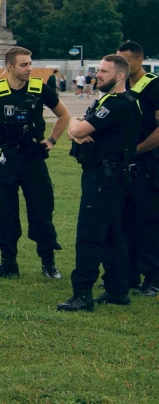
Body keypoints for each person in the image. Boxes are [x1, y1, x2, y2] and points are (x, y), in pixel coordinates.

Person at [0, 47, 70, 280]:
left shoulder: (39, 89)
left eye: (30, 63)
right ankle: (8, 263)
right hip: (4, 159)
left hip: (33, 159)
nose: (29, 68)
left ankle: (48, 263)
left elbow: (64, 115)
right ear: (9, 67)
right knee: (5, 213)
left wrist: (51, 141)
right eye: (24, 64)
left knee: (41, 211)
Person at [57, 54, 141, 311]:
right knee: (112, 236)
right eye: (98, 70)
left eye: (104, 71)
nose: (98, 75)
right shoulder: (116, 100)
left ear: (120, 76)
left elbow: (80, 129)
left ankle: (82, 293)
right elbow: (76, 124)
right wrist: (75, 123)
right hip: (111, 177)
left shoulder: (117, 104)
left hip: (103, 179)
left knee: (89, 235)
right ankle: (118, 290)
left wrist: (76, 125)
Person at [117, 40, 159, 296]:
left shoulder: (153, 86)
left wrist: (137, 150)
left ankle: (152, 279)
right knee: (124, 222)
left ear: (139, 60)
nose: (121, 66)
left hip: (148, 165)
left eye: (126, 61)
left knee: (149, 222)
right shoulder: (120, 87)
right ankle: (128, 274)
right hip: (123, 165)